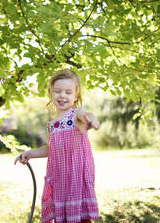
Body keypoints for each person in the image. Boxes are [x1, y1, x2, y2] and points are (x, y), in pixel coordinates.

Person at [14, 69, 100, 223]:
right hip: (60, 177)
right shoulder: (52, 124)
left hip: (76, 176)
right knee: (63, 217)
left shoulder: (76, 115)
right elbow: (51, 148)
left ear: (76, 95)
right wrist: (30, 153)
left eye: (68, 92)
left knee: (79, 217)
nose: (62, 95)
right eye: (58, 91)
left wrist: (91, 120)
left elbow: (86, 115)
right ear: (51, 93)